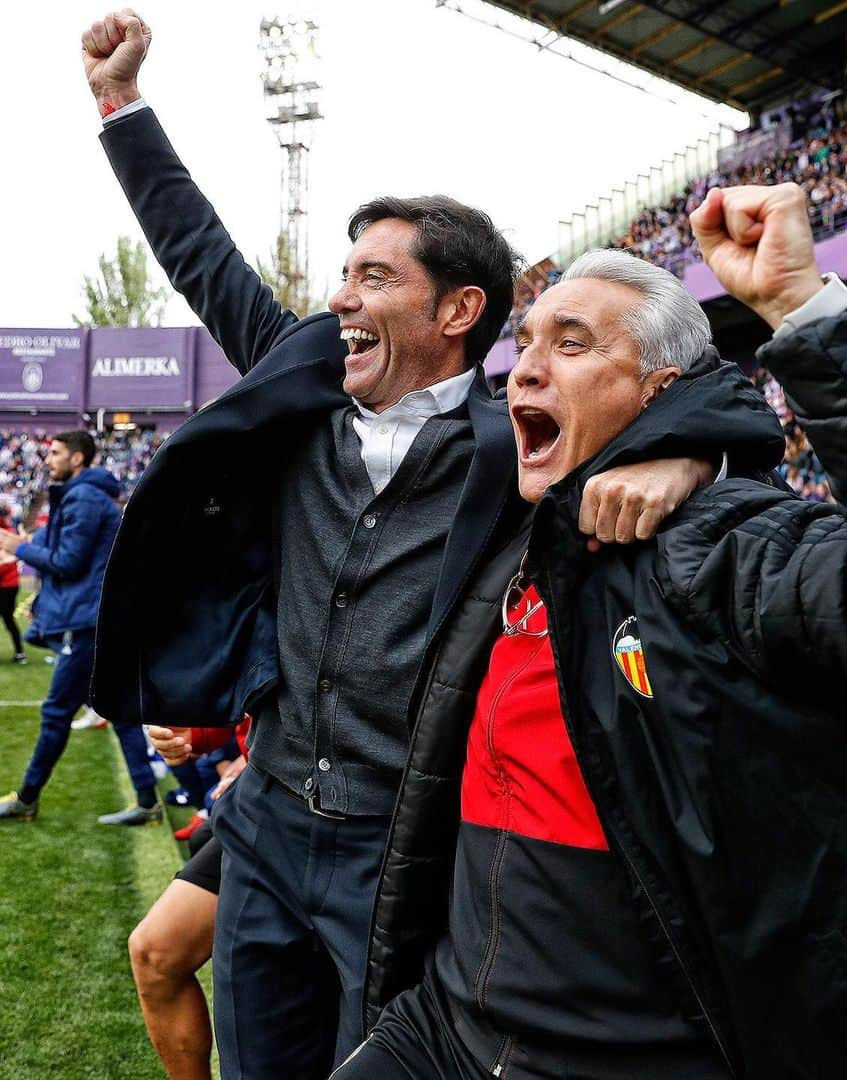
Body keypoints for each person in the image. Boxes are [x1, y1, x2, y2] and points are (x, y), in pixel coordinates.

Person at [82, 12, 724, 1076]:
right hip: (269, 824)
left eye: (375, 278)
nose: (341, 297)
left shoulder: (521, 448)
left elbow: (689, 394)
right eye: (345, 275)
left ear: (459, 308)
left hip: (404, 852)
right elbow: (198, 253)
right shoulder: (306, 387)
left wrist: (691, 452)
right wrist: (120, 104)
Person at [337, 185, 847, 1079]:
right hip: (446, 1028)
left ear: (657, 391)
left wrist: (803, 311)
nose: (523, 367)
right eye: (526, 343)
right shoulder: (514, 530)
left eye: (572, 343)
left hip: (634, 1059)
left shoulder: (719, 545)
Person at [0, 431, 161, 825]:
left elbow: (69, 561)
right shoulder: (85, 494)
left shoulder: (84, 497)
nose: (48, 458)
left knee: (57, 711)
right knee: (119, 711)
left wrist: (15, 547)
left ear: (77, 459)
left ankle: (27, 797)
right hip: (93, 616)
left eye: (55, 453)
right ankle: (146, 801)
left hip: (86, 619)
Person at [127, 719, 250, 1080]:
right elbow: (255, 699)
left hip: (359, 820)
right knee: (154, 952)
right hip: (268, 805)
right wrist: (197, 735)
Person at [0, 505, 26, 663]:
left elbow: (7, 564)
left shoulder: (6, 535)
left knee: (8, 619)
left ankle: (20, 653)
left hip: (6, 586)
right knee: (9, 619)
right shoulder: (9, 534)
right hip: (10, 585)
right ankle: (20, 653)